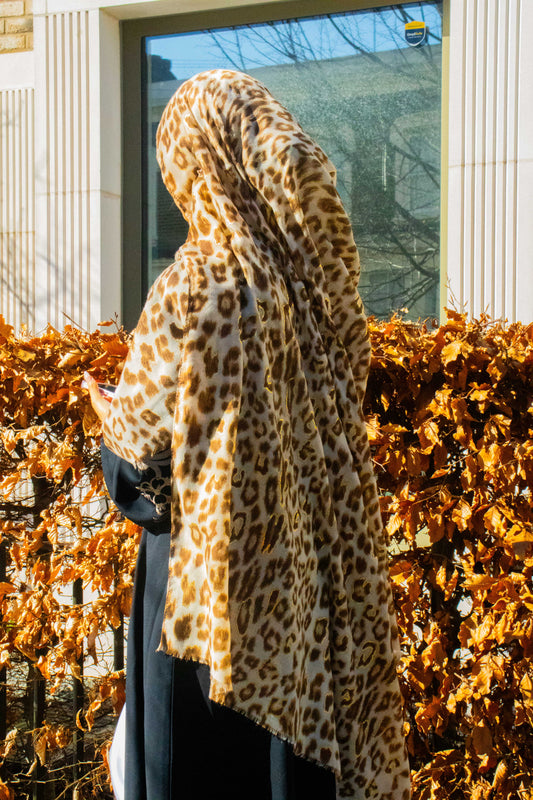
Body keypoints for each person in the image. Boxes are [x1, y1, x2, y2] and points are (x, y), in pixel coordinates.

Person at [87, 69, 411, 800]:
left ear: (196, 163)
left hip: (206, 604)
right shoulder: (320, 295)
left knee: (196, 768)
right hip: (308, 599)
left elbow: (137, 466)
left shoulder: (196, 280)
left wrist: (107, 410)